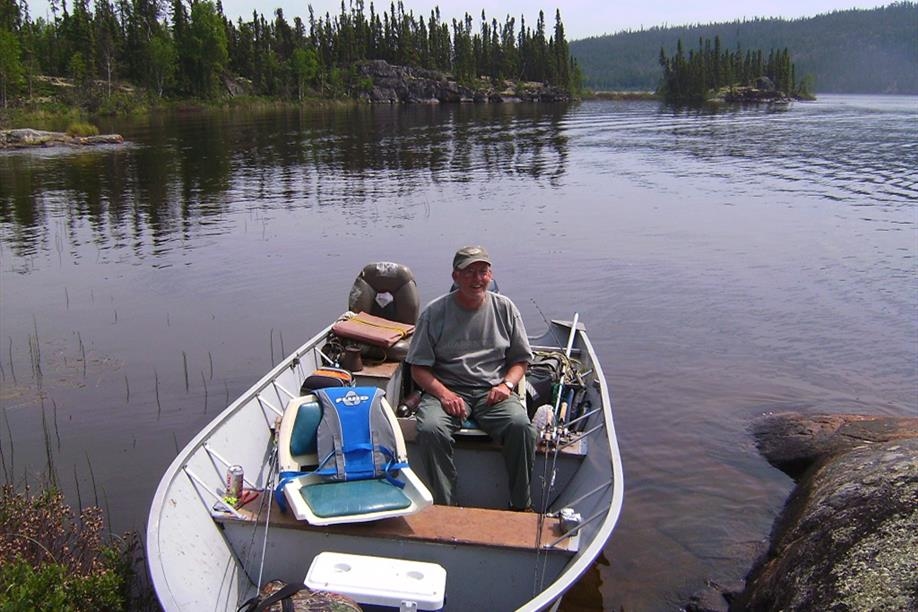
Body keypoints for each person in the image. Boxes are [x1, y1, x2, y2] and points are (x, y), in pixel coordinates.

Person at [405, 246, 537, 510]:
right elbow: (418, 368)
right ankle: (446, 506)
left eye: (482, 272)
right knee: (431, 428)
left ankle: (521, 505)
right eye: (469, 273)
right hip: (448, 390)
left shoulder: (506, 308)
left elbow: (520, 361)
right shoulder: (435, 313)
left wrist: (507, 385)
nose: (477, 279)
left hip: (493, 391)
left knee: (521, 427)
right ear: (455, 276)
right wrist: (444, 394)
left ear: (491, 275)